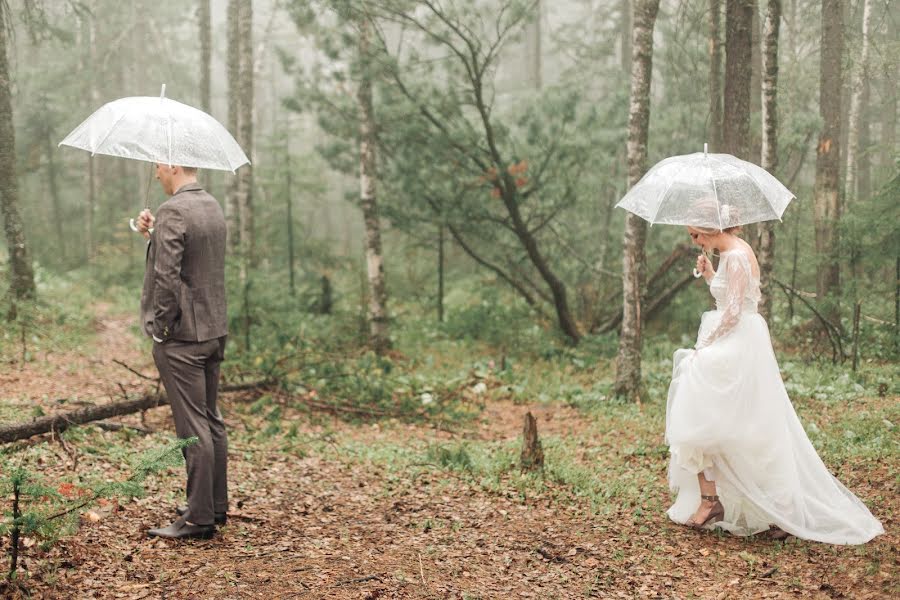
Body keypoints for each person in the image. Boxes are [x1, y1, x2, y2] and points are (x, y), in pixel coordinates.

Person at [664, 224, 884, 544]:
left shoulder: (737, 256)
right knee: (706, 413)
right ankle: (711, 500)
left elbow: (735, 311)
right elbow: (729, 297)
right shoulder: (728, 254)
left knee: (742, 421)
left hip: (737, 342)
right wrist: (711, 275)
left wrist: (706, 345)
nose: (694, 242)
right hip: (732, 338)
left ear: (710, 229)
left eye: (695, 234)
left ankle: (777, 507)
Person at [136, 163, 229, 540]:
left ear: (173, 165)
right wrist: (152, 234)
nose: (156, 172)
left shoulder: (173, 209)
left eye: (157, 165)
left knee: (193, 427)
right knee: (211, 420)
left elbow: (167, 277)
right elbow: (192, 258)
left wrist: (162, 328)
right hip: (213, 329)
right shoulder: (210, 204)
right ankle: (214, 506)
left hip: (184, 337)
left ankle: (198, 518)